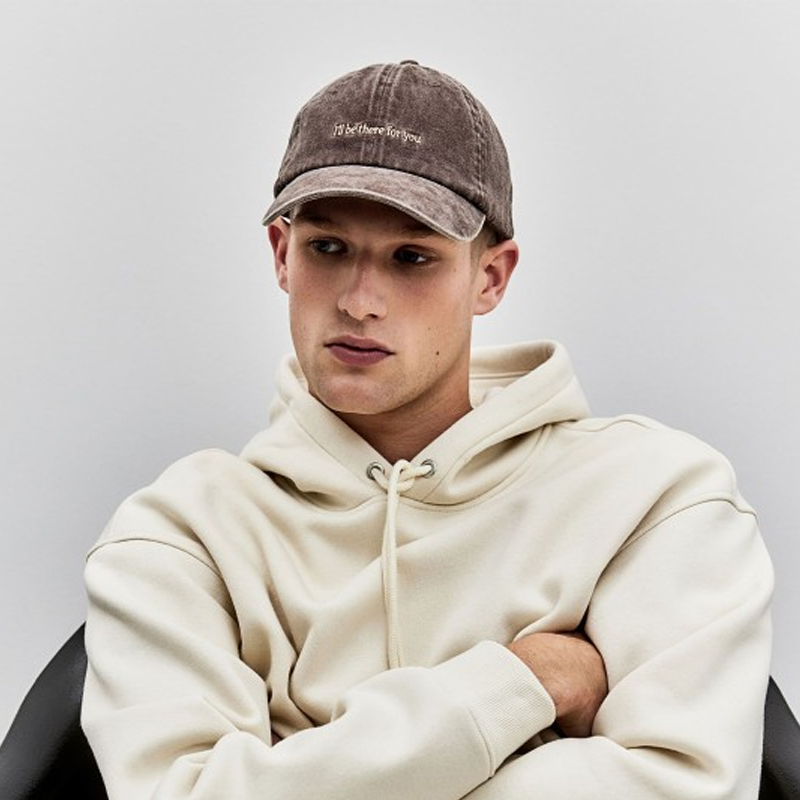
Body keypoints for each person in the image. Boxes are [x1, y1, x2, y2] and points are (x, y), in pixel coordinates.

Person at [81, 60, 773, 799]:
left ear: (490, 278)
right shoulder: (182, 534)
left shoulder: (654, 499)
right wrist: (525, 683)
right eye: (328, 248)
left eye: (412, 257)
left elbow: (684, 787)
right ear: (283, 255)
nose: (359, 301)